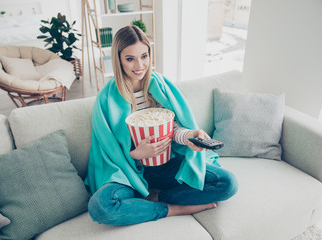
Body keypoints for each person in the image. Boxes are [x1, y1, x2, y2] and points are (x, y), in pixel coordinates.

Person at [85, 25, 238, 225]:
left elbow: (173, 129)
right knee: (101, 207)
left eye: (144, 56)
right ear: (118, 60)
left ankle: (155, 198)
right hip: (127, 171)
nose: (139, 65)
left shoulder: (159, 85)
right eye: (130, 59)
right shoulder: (107, 98)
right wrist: (137, 155)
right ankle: (172, 209)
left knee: (227, 184)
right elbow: (107, 150)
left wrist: (190, 136)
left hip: (165, 166)